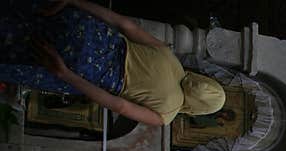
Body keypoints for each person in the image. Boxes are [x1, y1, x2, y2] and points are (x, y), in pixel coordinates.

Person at [0, 0, 226, 126]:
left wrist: (73, 1)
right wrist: (65, 74)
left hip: (89, 30)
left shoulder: (171, 57)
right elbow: (120, 106)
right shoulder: (166, 114)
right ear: (198, 109)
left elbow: (126, 25)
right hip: (83, 69)